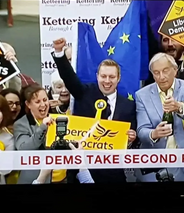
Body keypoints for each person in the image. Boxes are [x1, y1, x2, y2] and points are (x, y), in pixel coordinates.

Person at [51, 38, 137, 183]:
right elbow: (68, 77)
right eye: (103, 76)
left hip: (112, 173)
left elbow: (132, 137)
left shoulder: (129, 105)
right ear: (97, 76)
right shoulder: (84, 93)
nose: (107, 81)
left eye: (111, 77)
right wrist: (59, 53)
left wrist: (131, 139)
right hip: (81, 168)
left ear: (119, 78)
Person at [135, 52, 184, 182]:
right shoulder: (141, 95)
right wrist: (154, 134)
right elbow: (142, 130)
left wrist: (179, 107)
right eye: (156, 73)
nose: (161, 77)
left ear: (175, 70)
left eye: (165, 71)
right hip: (155, 166)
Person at [13, 84, 54, 184]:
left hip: (61, 179)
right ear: (28, 104)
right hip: (34, 180)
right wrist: (43, 127)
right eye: (37, 102)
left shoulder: (58, 119)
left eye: (45, 100)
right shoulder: (21, 124)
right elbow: (24, 147)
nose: (43, 104)